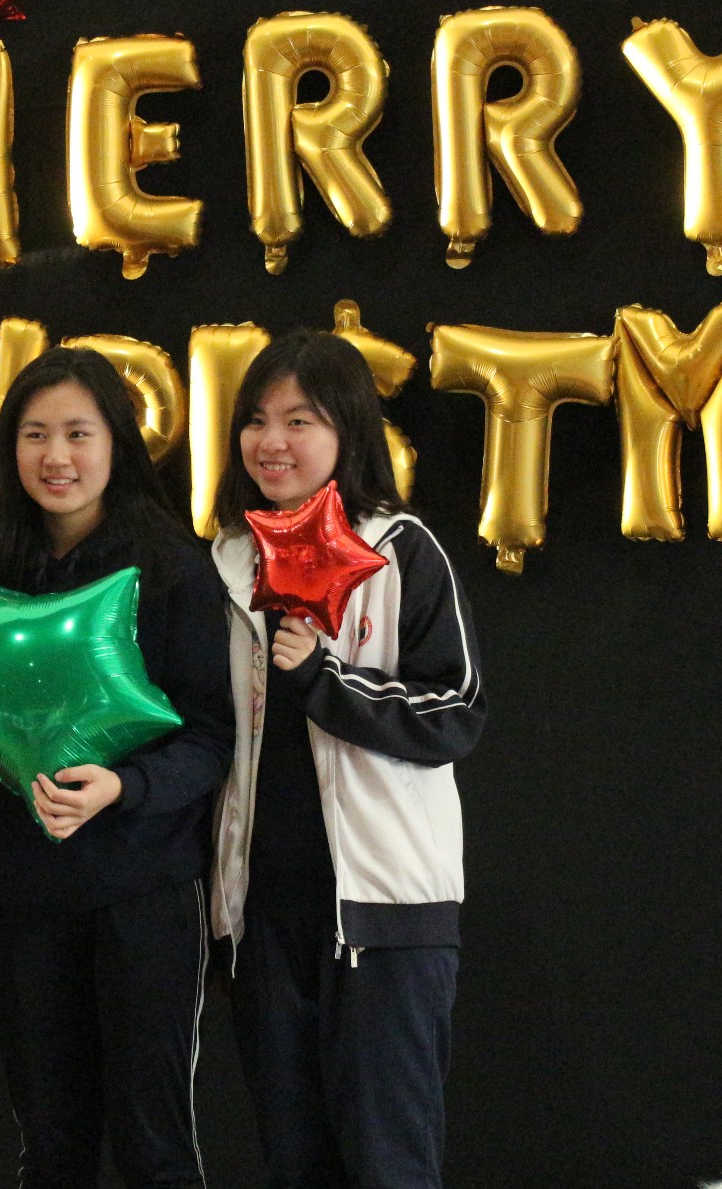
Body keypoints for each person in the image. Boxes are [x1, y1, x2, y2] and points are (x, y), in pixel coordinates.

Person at [0, 346, 233, 1188]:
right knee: (50, 1144)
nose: (57, 456)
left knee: (154, 1144)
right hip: (25, 897)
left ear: (117, 442)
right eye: (35, 434)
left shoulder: (175, 569)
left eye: (79, 433)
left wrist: (126, 786)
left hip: (144, 892)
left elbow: (211, 736)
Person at [208, 330, 485, 1189]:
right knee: (294, 1163)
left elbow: (457, 710)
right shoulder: (224, 561)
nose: (272, 440)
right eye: (256, 419)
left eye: (300, 419)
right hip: (261, 919)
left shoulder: (400, 549)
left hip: (383, 915)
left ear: (349, 430)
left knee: (387, 1163)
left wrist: (327, 680)